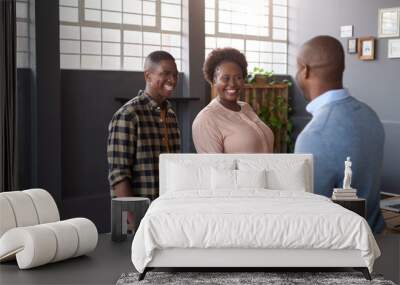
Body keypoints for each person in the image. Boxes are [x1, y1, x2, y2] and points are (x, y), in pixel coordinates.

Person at [294, 35, 385, 233]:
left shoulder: (315, 135)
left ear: (305, 70)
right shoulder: (371, 115)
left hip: (339, 252)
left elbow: (308, 216)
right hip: (377, 241)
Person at [107, 51, 181, 207]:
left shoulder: (171, 115)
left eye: (175, 75)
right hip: (139, 215)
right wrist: (132, 219)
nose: (172, 80)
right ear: (148, 76)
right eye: (166, 74)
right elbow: (119, 175)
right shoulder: (128, 115)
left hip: (167, 209)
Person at [192, 48, 274, 153]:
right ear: (214, 80)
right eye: (225, 78)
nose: (232, 84)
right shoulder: (206, 119)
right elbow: (213, 167)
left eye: (238, 77)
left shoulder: (245, 107)